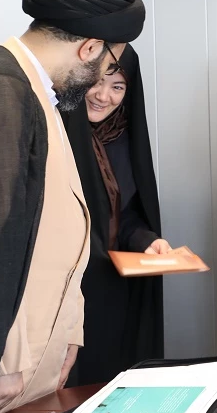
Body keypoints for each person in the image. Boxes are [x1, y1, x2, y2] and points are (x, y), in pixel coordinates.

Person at [0, 0, 145, 413]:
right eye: (109, 64)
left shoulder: (34, 91)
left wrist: (70, 330)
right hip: (0, 373)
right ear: (89, 49)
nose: (102, 80)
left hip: (33, 360)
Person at [62, 45, 167, 385]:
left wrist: (146, 241)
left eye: (117, 86)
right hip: (66, 293)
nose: (103, 96)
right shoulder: (55, 133)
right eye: (96, 81)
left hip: (112, 290)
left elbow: (124, 215)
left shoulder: (121, 136)